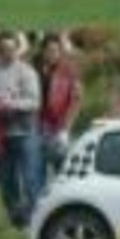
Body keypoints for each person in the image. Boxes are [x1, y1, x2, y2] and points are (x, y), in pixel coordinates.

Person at [0, 31, 43, 229]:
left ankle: (36, 219)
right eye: (3, 49)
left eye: (11, 48)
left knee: (30, 179)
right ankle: (16, 220)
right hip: (0, 135)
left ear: (17, 49)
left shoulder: (27, 71)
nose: (7, 52)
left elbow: (34, 102)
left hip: (24, 132)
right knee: (6, 180)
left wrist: (11, 104)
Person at [36, 33, 82, 175]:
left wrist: (66, 129)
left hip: (59, 126)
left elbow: (76, 100)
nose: (52, 54)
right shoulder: (35, 70)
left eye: (56, 51)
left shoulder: (69, 71)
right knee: (37, 168)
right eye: (49, 51)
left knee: (62, 168)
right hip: (38, 126)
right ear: (43, 51)